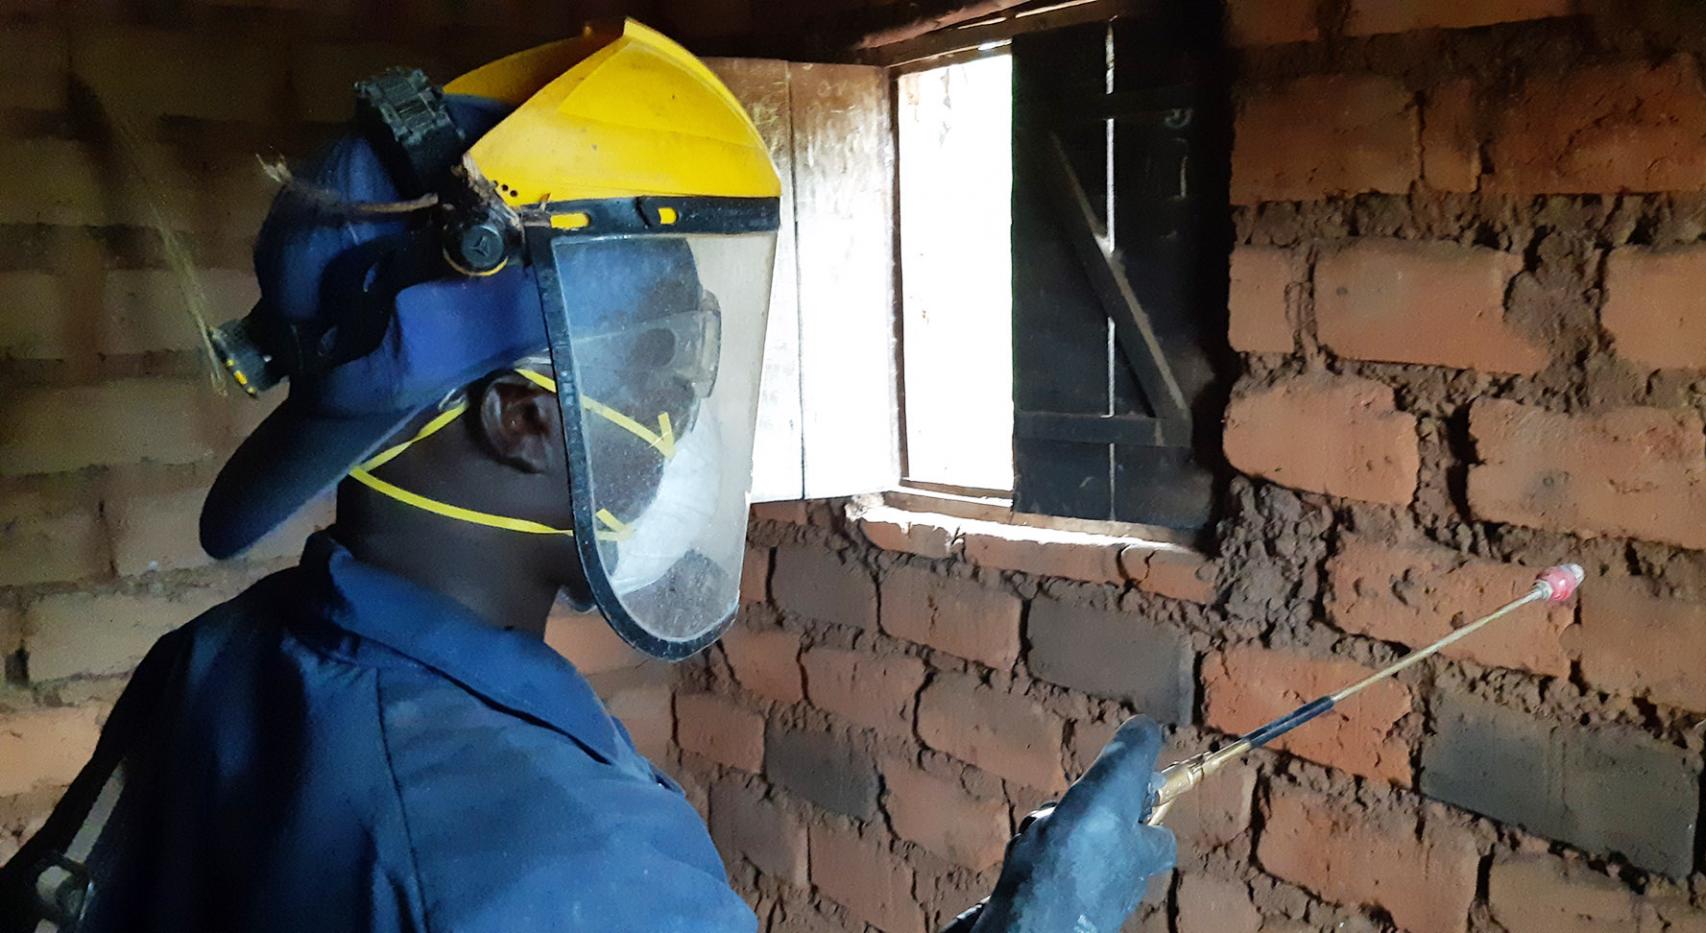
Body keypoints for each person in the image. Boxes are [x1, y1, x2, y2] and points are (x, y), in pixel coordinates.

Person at [0, 20, 1175, 933]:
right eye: (658, 358)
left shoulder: (219, 662)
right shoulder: (563, 860)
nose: (683, 408)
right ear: (520, 417)